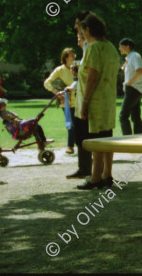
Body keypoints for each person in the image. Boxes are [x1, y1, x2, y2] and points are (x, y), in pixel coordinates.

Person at [75, 13, 120, 190]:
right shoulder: (110, 47)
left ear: (88, 29)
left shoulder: (94, 48)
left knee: (96, 140)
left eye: (82, 30)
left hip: (95, 100)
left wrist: (85, 102)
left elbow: (92, 76)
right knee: (107, 137)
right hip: (108, 99)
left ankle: (95, 178)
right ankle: (107, 174)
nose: (81, 34)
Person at [66, 11, 93, 180]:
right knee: (81, 135)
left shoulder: (92, 47)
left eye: (78, 26)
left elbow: (92, 75)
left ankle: (94, 171)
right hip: (82, 97)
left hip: (88, 99)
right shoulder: (87, 49)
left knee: (90, 136)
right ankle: (84, 168)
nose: (76, 30)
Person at [44, 48, 77, 154]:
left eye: (74, 54)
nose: (74, 56)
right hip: (66, 102)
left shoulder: (78, 68)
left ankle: (81, 145)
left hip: (80, 100)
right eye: (71, 55)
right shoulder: (59, 70)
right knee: (71, 123)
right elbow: (47, 82)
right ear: (66, 57)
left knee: (80, 124)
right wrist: (56, 92)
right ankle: (70, 146)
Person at [118, 38, 142, 135]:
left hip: (133, 89)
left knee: (123, 116)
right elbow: (125, 68)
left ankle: (127, 139)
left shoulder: (135, 56)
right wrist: (125, 63)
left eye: (120, 46)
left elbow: (140, 71)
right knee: (135, 116)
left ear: (127, 46)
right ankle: (140, 138)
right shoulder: (130, 57)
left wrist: (129, 82)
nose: (119, 48)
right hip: (133, 89)